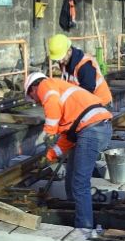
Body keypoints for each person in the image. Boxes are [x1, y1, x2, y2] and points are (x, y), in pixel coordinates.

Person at [24, 73, 112, 229]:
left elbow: (51, 101)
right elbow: (67, 140)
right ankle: (74, 208)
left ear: (33, 88)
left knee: (80, 183)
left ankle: (83, 228)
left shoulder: (46, 84)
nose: (36, 101)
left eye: (31, 96)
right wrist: (49, 156)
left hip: (91, 131)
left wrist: (50, 132)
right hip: (94, 129)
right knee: (71, 171)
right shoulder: (65, 103)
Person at [48, 34, 113, 107]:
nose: (60, 62)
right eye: (58, 59)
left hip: (100, 104)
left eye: (62, 58)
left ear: (69, 51)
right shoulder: (64, 62)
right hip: (84, 101)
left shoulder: (85, 66)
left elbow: (87, 94)